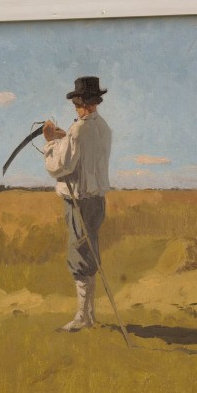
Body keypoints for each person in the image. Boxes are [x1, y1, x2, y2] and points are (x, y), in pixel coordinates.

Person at [41, 75, 113, 332]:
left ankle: (83, 317)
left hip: (79, 202)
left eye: (77, 102)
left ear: (83, 102)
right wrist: (64, 138)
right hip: (97, 201)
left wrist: (50, 140)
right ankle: (89, 315)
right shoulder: (102, 127)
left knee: (79, 256)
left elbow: (59, 166)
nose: (75, 107)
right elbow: (81, 155)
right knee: (88, 252)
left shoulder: (79, 129)